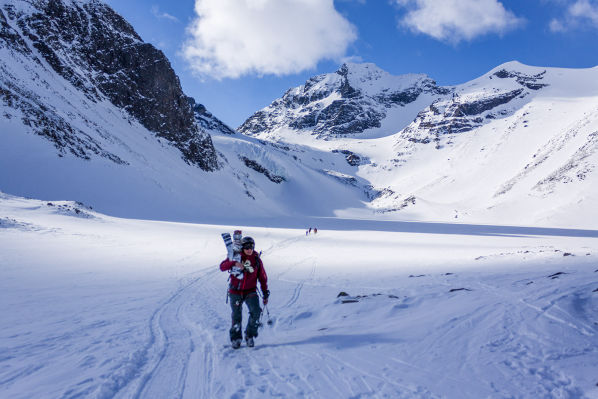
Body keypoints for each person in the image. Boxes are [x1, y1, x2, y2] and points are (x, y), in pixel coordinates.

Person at [220, 236, 269, 349]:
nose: (249, 249)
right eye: (246, 247)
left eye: (251, 246)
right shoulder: (235, 256)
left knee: (256, 311)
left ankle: (249, 335)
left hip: (250, 291)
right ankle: (236, 338)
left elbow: (262, 277)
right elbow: (222, 267)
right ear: (242, 247)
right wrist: (233, 263)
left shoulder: (256, 259)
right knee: (236, 315)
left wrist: (265, 291)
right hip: (235, 291)